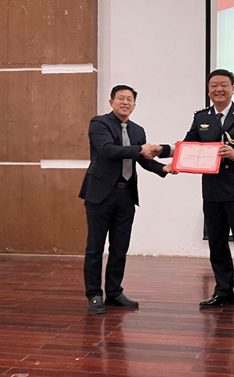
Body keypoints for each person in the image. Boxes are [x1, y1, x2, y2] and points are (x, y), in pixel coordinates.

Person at [163, 69, 234, 313]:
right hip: (212, 190)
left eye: (223, 85)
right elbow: (188, 145)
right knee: (217, 243)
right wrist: (169, 156)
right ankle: (222, 292)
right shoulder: (201, 117)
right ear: (208, 90)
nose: (218, 89)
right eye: (214, 85)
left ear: (232, 89)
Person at [79, 84, 172, 314]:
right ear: (111, 102)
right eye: (121, 98)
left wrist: (164, 168)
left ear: (134, 105)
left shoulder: (138, 130)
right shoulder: (99, 123)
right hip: (100, 194)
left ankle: (114, 292)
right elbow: (108, 150)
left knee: (120, 247)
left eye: (130, 99)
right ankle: (94, 294)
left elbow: (144, 159)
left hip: (126, 195)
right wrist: (140, 149)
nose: (125, 102)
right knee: (95, 247)